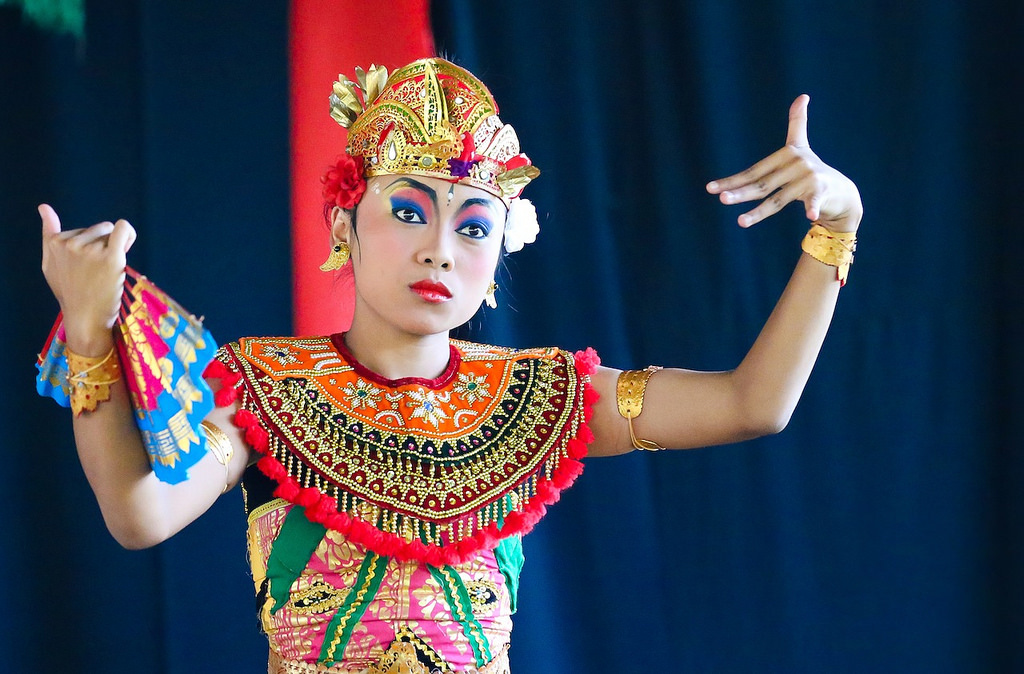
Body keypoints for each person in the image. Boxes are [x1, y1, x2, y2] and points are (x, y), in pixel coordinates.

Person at [38, 57, 862, 673]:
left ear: (500, 250)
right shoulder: (266, 389)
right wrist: (86, 333)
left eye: (472, 226)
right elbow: (138, 514)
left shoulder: (540, 397)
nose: (439, 249)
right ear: (343, 225)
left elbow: (755, 404)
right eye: (407, 211)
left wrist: (835, 233)